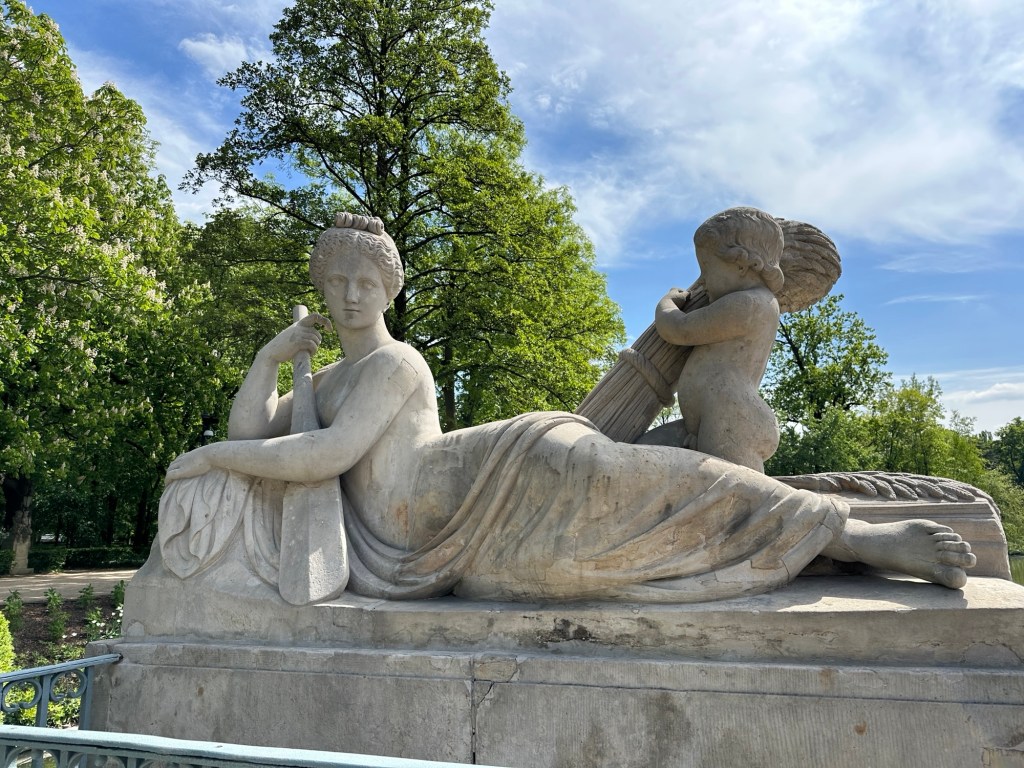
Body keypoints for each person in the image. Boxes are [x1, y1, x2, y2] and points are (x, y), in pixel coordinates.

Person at [160, 213, 975, 603]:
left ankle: (852, 534)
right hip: (441, 532)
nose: (347, 296)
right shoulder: (331, 379)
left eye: (364, 283)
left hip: (501, 473)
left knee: (646, 485)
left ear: (389, 290)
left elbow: (322, 457)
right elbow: (255, 431)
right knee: (654, 509)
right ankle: (825, 534)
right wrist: (269, 359)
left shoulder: (394, 362)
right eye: (335, 283)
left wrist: (208, 458)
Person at [654, 207, 784, 473]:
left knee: (736, 491)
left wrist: (666, 303)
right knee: (639, 452)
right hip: (705, 422)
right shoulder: (751, 301)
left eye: (706, 269)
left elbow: (679, 329)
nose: (702, 281)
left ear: (741, 264)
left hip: (732, 419)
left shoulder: (749, 305)